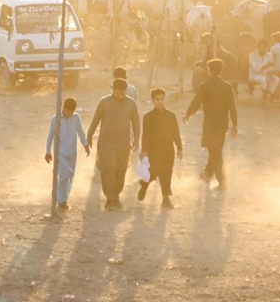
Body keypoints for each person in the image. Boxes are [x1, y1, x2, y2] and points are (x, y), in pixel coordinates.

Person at [184, 59, 238, 191]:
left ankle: (222, 182)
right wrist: (235, 123)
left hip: (210, 124)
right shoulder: (227, 86)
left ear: (209, 70)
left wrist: (188, 114)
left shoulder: (205, 85)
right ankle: (208, 174)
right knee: (215, 149)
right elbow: (232, 106)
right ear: (221, 70)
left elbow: (197, 102)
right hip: (223, 124)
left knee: (215, 152)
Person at [87, 79, 141, 211]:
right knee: (108, 170)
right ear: (113, 90)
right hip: (106, 142)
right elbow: (95, 120)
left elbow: (136, 122)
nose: (120, 96)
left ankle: (116, 196)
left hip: (123, 143)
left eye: (122, 93)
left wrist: (136, 139)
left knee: (121, 170)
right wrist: (89, 137)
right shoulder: (104, 102)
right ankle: (110, 199)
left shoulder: (131, 103)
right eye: (118, 93)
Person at [138, 88, 183, 209]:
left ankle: (165, 198)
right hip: (153, 150)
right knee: (152, 172)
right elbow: (145, 135)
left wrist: (179, 147)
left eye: (162, 99)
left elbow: (176, 133)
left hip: (168, 150)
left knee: (166, 174)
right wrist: (144, 150)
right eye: (157, 99)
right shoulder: (148, 117)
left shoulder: (171, 116)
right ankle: (144, 186)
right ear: (153, 101)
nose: (160, 102)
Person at [45, 98, 90, 211]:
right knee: (64, 174)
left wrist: (85, 144)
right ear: (63, 108)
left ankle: (62, 197)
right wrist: (48, 151)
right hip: (60, 152)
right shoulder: (56, 119)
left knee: (70, 175)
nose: (69, 114)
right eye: (67, 111)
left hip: (72, 152)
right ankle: (61, 201)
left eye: (71, 112)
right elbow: (50, 136)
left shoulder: (76, 118)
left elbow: (80, 131)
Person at [248, 38, 279, 102]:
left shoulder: (269, 55)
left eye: (266, 47)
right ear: (259, 46)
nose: (265, 49)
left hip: (265, 74)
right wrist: (267, 66)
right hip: (254, 75)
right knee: (262, 79)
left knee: (276, 79)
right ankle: (266, 98)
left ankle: (267, 93)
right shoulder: (252, 55)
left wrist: (271, 71)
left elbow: (270, 67)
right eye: (263, 47)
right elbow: (255, 69)